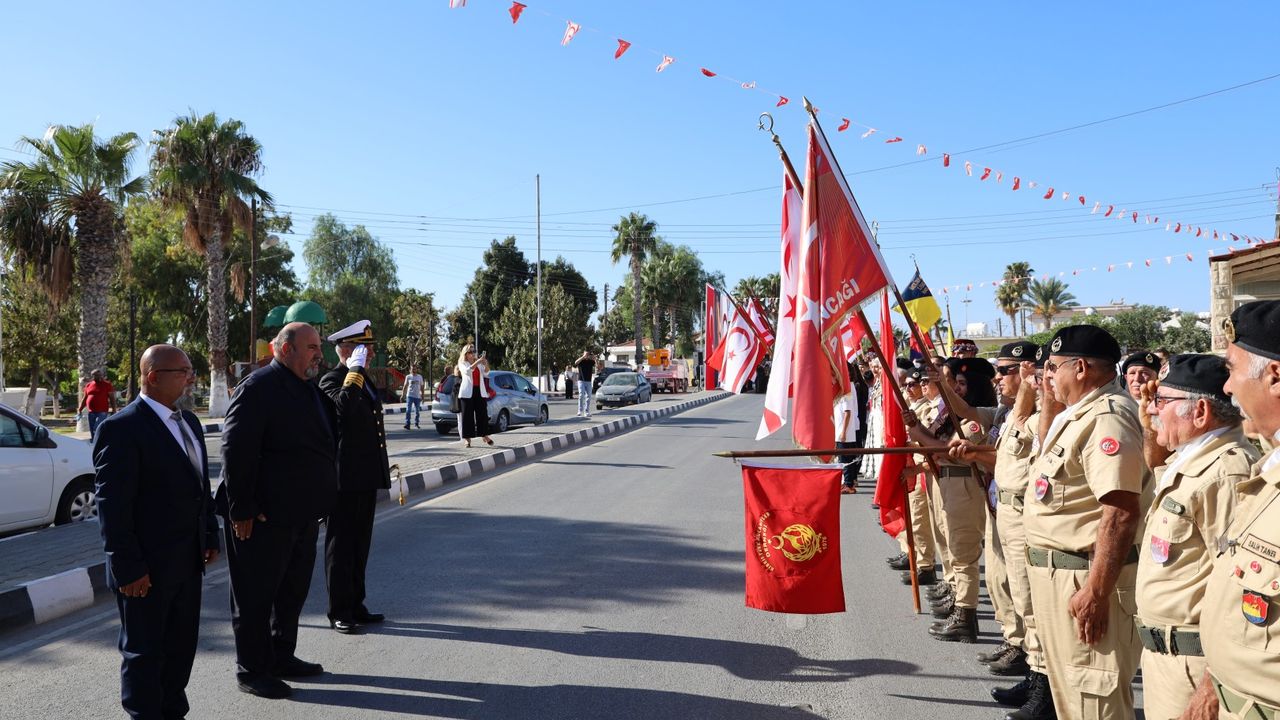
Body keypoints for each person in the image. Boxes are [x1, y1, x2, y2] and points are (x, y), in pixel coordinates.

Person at [1023, 325, 1149, 720]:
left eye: (1053, 367)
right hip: (1060, 578)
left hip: (1085, 581)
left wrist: (1095, 592)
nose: (1048, 376)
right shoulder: (1076, 414)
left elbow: (1120, 511)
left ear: (1079, 368)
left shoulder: (1108, 417)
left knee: (1093, 704)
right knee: (1072, 703)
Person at [94, 345, 220, 720]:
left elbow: (201, 488)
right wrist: (128, 568)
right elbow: (112, 506)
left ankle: (172, 712)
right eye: (182, 371)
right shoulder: (121, 428)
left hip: (187, 560)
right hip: (145, 568)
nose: (191, 377)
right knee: (144, 653)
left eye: (190, 369)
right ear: (153, 377)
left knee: (181, 648)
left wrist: (209, 535)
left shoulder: (189, 422)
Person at [218, 322, 338, 700]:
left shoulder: (307, 388)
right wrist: (242, 509)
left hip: (301, 515)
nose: (319, 353)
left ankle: (281, 655)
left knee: (291, 592)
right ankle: (252, 670)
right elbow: (236, 451)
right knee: (255, 596)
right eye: (312, 347)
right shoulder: (258, 388)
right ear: (284, 350)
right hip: (262, 518)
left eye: (319, 346)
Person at [1133, 353, 1257, 720]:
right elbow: (1156, 464)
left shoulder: (1227, 473)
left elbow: (1239, 592)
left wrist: (1211, 686)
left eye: (1161, 401)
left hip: (1193, 666)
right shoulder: (1193, 459)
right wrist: (1149, 424)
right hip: (1167, 657)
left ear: (1200, 411)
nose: (1152, 409)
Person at [1181, 300, 1280, 720]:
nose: (1227, 387)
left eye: (1233, 370)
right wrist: (1211, 683)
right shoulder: (1268, 471)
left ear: (1275, 377)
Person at [321, 320, 392, 635]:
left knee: (361, 543)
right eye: (366, 348)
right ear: (347, 349)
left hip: (364, 475)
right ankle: (339, 609)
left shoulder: (363, 380)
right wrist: (354, 371)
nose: (372, 352)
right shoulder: (332, 380)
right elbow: (343, 409)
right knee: (341, 546)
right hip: (344, 479)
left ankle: (357, 603)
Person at [456, 345, 493, 447]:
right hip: (467, 392)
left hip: (479, 391)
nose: (472, 353)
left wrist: (485, 364)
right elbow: (468, 371)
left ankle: (484, 435)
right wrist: (478, 362)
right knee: (467, 416)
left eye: (473, 351)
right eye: (470, 352)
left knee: (482, 414)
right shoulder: (462, 363)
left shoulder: (478, 362)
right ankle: (467, 439)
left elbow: (486, 373)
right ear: (465, 354)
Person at [833, 386, 860, 495]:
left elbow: (847, 413)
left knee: (845, 460)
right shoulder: (840, 394)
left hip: (845, 434)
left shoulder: (846, 394)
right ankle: (849, 483)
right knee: (845, 458)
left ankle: (849, 484)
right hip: (841, 432)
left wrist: (843, 432)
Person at [79, 368, 119, 439]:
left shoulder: (107, 385)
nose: (98, 376)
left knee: (97, 427)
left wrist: (114, 409)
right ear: (93, 376)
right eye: (96, 375)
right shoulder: (89, 385)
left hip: (102, 411)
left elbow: (112, 398)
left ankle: (100, 440)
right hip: (91, 411)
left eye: (99, 375)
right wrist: (80, 409)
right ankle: (94, 442)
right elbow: (85, 398)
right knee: (92, 429)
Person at [401, 365, 423, 430]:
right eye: (412, 369)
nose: (414, 370)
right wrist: (403, 395)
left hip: (417, 396)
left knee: (417, 411)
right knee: (408, 410)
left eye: (415, 369)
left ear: (416, 370)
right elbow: (405, 386)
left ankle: (416, 423)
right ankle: (407, 424)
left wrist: (423, 396)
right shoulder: (408, 377)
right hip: (409, 396)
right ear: (410, 370)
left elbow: (422, 387)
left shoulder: (420, 377)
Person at [575, 351, 595, 417]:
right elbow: (576, 362)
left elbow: (597, 365)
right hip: (581, 381)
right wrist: (583, 357)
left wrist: (594, 357)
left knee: (588, 397)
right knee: (581, 395)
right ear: (583, 354)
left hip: (588, 381)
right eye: (586, 354)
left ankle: (586, 411)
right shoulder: (581, 361)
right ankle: (580, 411)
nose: (587, 355)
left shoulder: (591, 361)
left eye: (588, 354)